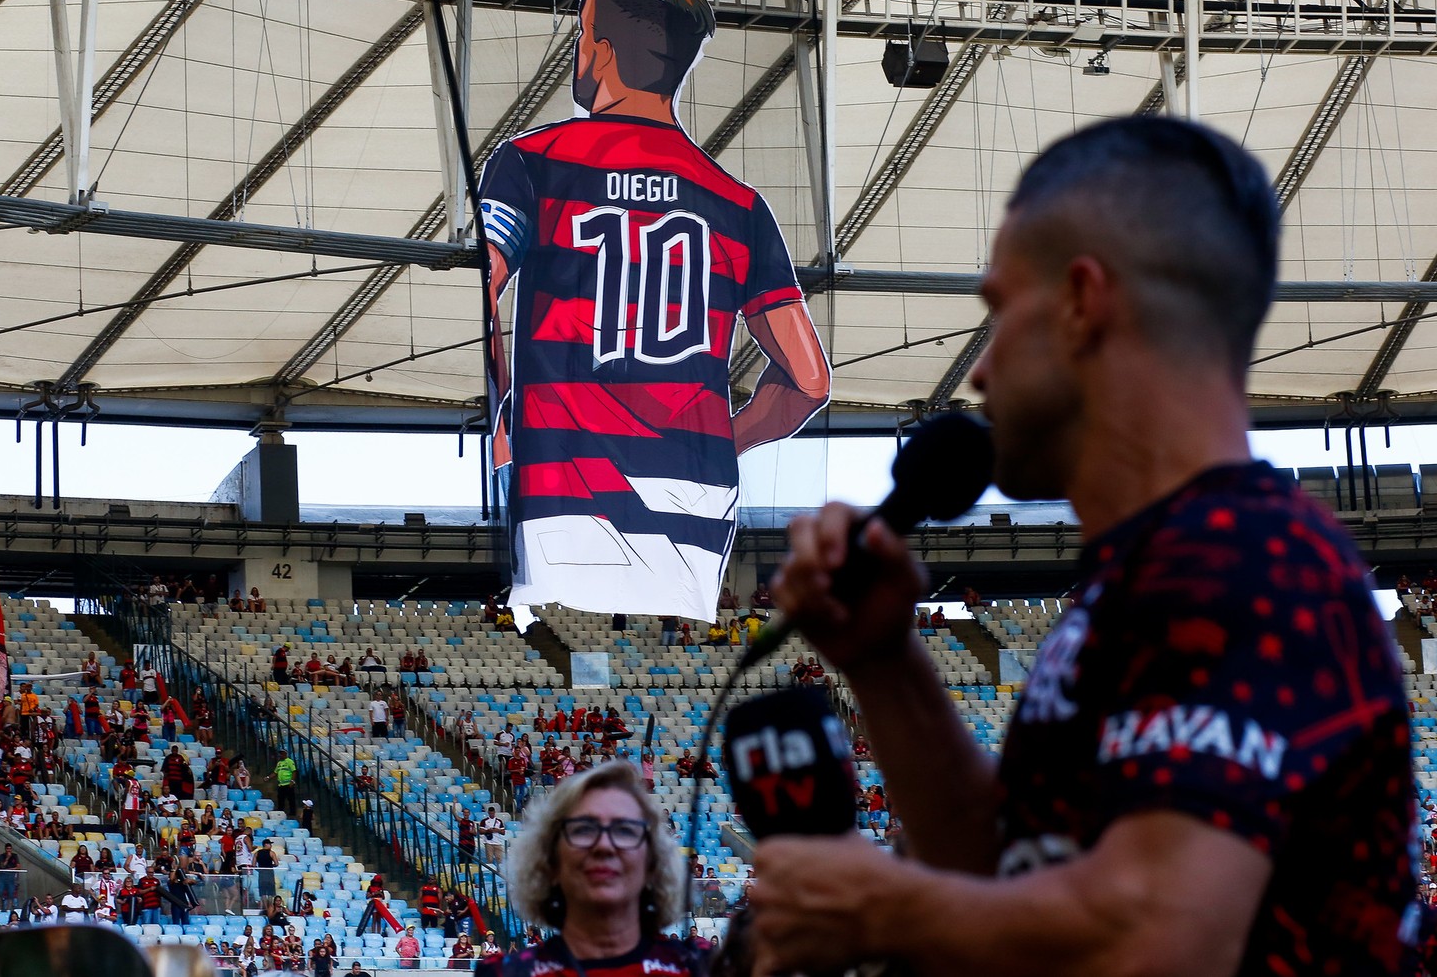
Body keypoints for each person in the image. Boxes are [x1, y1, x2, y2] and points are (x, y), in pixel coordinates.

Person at [747, 118, 1419, 977]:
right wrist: (885, 662)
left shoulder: (1246, 560)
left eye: (998, 312)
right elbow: (1005, 882)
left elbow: (1158, 944)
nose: (980, 370)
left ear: (1080, 301)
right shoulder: (1150, 576)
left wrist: (878, 903)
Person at [478, 0, 830, 623]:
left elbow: (483, 291)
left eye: (582, 35)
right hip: (695, 501)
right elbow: (809, 380)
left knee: (566, 639)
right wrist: (728, 438)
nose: (578, 52)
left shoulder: (532, 164)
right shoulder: (739, 207)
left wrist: (503, 424)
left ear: (603, 51)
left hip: (566, 484)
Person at [479, 760, 699, 977]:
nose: (604, 846)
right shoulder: (506, 973)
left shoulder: (700, 966)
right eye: (583, 829)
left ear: (652, 865)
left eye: (624, 830)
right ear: (549, 863)